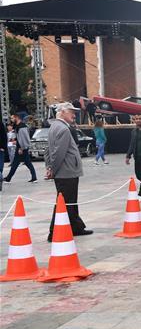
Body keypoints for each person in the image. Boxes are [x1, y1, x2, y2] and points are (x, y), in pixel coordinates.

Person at [45, 102, 91, 240]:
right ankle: (53, 233)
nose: (74, 114)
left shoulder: (54, 126)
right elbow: (58, 152)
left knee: (70, 201)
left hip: (65, 171)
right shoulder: (63, 129)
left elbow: (48, 150)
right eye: (71, 111)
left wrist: (49, 167)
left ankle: (76, 227)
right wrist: (52, 169)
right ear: (62, 112)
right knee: (64, 202)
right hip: (66, 171)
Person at [4, 114, 38, 183]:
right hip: (21, 147)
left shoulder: (22, 127)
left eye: (12, 118)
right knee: (24, 163)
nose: (11, 120)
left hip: (21, 148)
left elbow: (24, 138)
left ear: (17, 118)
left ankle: (8, 178)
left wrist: (21, 148)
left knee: (17, 163)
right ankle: (34, 177)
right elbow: (19, 137)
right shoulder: (18, 126)